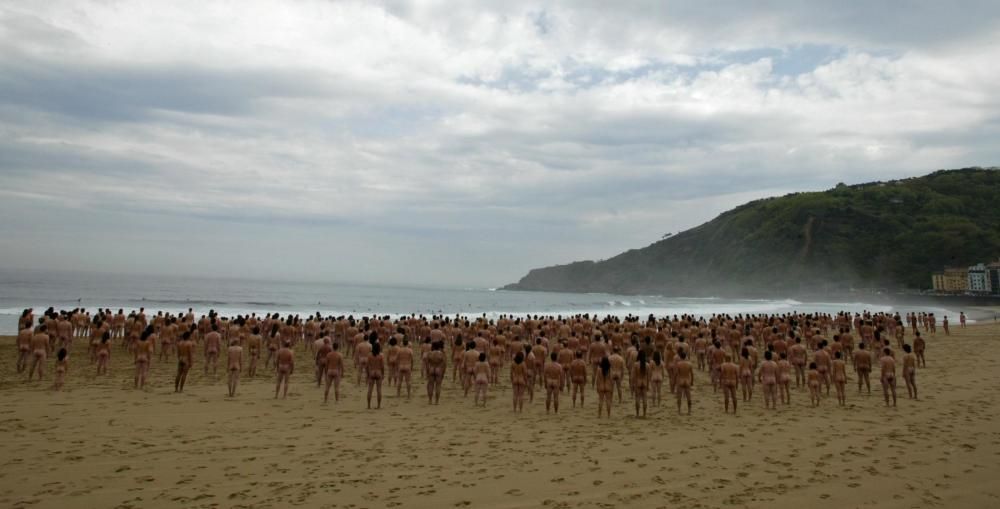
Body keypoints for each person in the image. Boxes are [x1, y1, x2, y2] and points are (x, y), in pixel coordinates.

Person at [426, 341, 446, 405]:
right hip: (438, 369)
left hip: (431, 368)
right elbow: (444, 364)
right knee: (438, 385)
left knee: (430, 385)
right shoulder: (441, 354)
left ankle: (430, 400)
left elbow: (427, 364)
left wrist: (427, 372)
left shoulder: (429, 353)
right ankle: (437, 401)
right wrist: (443, 372)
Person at [367, 341, 385, 409]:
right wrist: (383, 374)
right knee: (379, 390)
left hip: (372, 372)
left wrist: (368, 374)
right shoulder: (381, 355)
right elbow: (382, 366)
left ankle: (369, 405)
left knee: (370, 390)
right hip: (378, 372)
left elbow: (367, 366)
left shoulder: (369, 355)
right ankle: (378, 405)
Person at [631, 350, 650, 417]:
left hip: (638, 382)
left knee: (637, 398)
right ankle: (644, 414)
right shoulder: (647, 365)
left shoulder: (636, 364)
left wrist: (632, 384)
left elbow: (633, 376)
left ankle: (637, 414)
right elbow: (648, 376)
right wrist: (648, 385)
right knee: (645, 398)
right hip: (644, 382)